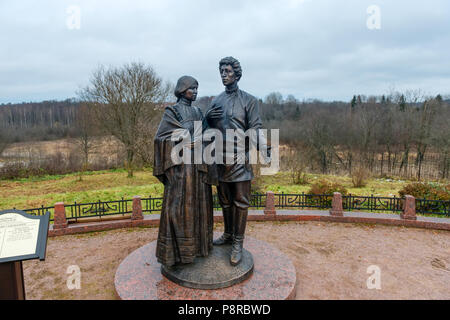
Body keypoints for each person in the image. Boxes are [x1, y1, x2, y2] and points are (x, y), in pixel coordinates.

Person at [205, 57, 270, 266]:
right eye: (222, 71)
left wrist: (264, 148)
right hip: (219, 159)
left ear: (237, 74)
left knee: (240, 202)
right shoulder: (216, 100)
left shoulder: (249, 101)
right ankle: (228, 234)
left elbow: (256, 127)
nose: (224, 74)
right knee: (224, 201)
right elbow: (207, 131)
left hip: (240, 158)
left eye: (228, 71)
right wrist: (206, 119)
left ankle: (238, 243)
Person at [153, 76, 216, 267]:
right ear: (182, 89)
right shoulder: (172, 112)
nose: (195, 92)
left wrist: (205, 138)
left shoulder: (198, 111)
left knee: (199, 206)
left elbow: (207, 133)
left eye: (197, 88)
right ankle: (177, 253)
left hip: (198, 168)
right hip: (181, 170)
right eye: (192, 88)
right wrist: (185, 140)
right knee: (179, 208)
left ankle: (198, 247)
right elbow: (160, 138)